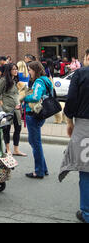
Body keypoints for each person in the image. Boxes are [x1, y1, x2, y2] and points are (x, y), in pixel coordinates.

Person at [59, 49, 89, 223]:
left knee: (86, 171)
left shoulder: (80, 74)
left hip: (85, 125)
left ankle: (86, 212)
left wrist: (69, 121)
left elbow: (71, 100)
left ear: (86, 58)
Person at [22, 61, 53, 179]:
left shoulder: (39, 82)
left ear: (35, 70)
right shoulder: (45, 79)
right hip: (40, 114)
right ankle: (43, 168)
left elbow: (36, 97)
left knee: (35, 143)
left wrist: (24, 97)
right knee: (35, 142)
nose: (29, 72)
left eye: (29, 70)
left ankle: (39, 171)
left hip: (33, 114)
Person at [0, 64, 26, 156]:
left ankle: (16, 149)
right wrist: (4, 107)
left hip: (17, 109)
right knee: (6, 129)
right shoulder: (3, 80)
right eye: (13, 69)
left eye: (16, 69)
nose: (16, 71)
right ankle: (7, 149)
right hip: (7, 109)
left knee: (18, 128)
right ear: (9, 71)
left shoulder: (15, 80)